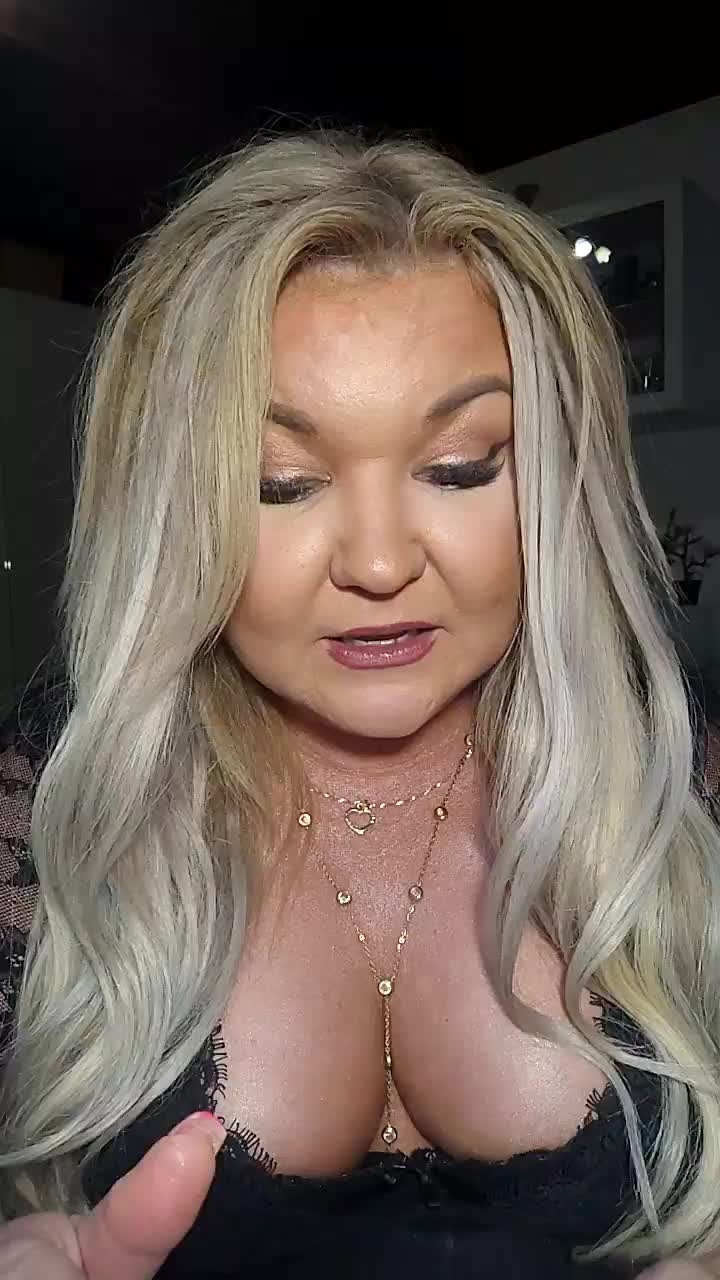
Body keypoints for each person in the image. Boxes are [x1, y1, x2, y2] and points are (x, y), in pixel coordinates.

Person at [0, 129, 719, 1280]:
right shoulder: (49, 810)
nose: (381, 562)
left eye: (461, 466)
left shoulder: (677, 784)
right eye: (279, 483)